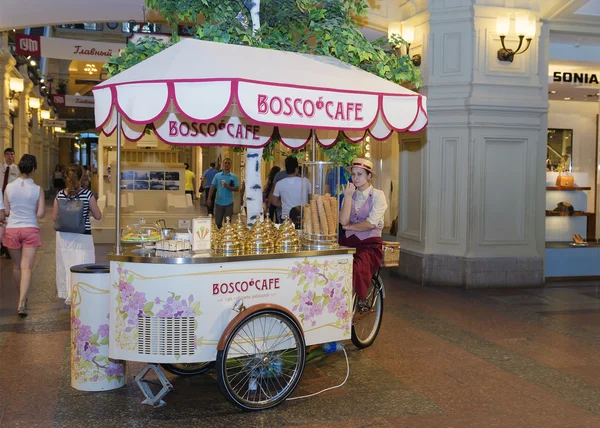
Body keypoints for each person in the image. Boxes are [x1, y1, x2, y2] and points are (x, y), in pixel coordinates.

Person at [339, 158, 387, 312]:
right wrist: (347, 197)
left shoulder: (378, 196)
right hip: (347, 242)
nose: (355, 178)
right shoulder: (350, 194)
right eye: (353, 174)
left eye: (359, 174)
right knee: (334, 265)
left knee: (357, 267)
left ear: (369, 176)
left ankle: (358, 299)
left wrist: (349, 226)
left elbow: (371, 223)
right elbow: (343, 220)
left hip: (369, 244)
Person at [2, 154, 45, 317]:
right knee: (27, 267)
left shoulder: (9, 187)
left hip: (12, 229)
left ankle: (21, 297)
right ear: (34, 169)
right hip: (30, 229)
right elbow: (40, 213)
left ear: (19, 167)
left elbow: (6, 211)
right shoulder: (37, 189)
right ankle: (22, 302)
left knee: (17, 266)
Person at [54, 164, 102, 305]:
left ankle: (68, 293)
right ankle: (81, 294)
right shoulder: (87, 194)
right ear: (82, 176)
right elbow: (98, 216)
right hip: (82, 235)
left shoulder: (60, 194)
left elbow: (54, 217)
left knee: (66, 264)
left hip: (63, 237)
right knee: (82, 265)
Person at [271, 156, 311, 222]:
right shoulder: (305, 181)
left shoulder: (279, 183)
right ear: (296, 169)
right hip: (303, 216)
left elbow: (274, 202)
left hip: (286, 216)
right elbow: (311, 198)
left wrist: (283, 204)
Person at [207, 158, 239, 228]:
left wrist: (228, 187)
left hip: (229, 202)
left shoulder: (233, 177)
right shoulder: (217, 175)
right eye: (225, 163)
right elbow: (212, 187)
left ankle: (226, 237)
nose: (227, 164)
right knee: (217, 222)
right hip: (219, 202)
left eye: (228, 163)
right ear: (223, 164)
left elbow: (237, 188)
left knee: (227, 222)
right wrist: (209, 198)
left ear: (231, 165)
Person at [1, 148, 19, 258]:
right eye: (7, 154)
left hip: (11, 201)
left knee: (8, 224)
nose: (10, 156)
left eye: (12, 154)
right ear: (4, 155)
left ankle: (6, 247)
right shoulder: (0, 167)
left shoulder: (17, 170)